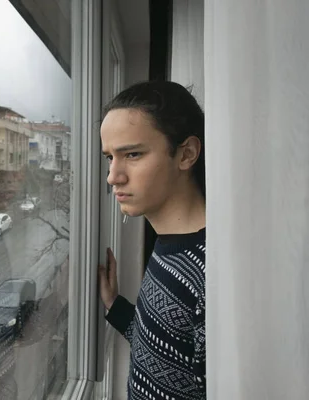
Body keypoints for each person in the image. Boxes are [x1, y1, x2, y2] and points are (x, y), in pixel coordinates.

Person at [98, 81, 206, 400]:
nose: (113, 176)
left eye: (132, 154)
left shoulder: (213, 273)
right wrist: (115, 306)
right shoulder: (170, 246)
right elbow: (167, 354)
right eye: (109, 157)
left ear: (186, 154)